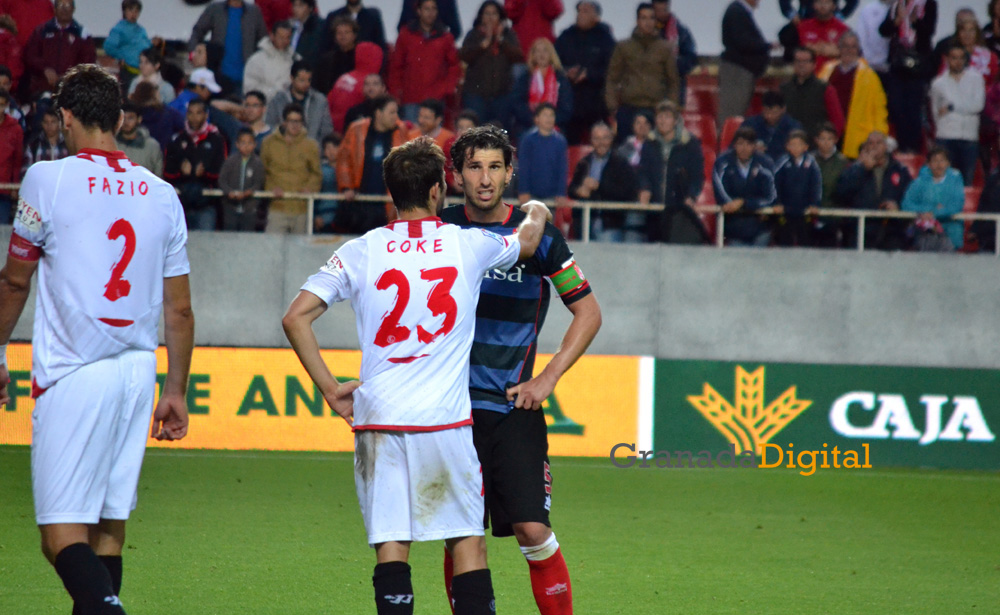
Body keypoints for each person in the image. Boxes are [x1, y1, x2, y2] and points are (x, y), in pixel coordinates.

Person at [283, 135, 550, 615]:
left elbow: (295, 317)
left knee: (392, 544)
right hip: (444, 422)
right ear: (435, 191)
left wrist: (330, 389)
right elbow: (528, 241)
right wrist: (538, 211)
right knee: (467, 541)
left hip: (378, 416)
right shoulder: (467, 244)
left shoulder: (361, 250)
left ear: (390, 193)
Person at [0, 63, 193, 615]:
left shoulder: (46, 178)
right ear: (118, 119)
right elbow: (178, 308)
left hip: (75, 372)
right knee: (108, 530)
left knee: (60, 535)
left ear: (64, 116)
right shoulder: (161, 194)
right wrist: (174, 389)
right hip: (137, 373)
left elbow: (16, 281)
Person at [439, 124, 602, 615]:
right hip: (451, 410)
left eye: (494, 166)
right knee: (460, 537)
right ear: (457, 175)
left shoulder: (538, 237)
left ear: (510, 172)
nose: (485, 178)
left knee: (534, 530)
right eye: (474, 167)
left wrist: (547, 378)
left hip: (513, 409)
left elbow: (588, 311)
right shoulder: (440, 230)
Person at [605, 3, 679, 143]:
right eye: (644, 18)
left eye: (651, 18)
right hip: (628, 109)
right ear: (637, 20)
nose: (648, 22)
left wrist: (669, 109)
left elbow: (673, 81)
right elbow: (612, 78)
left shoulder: (665, 48)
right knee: (625, 152)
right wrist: (612, 107)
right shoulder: (623, 47)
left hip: (655, 109)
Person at [336, 95, 408, 233]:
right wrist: (346, 187)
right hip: (359, 202)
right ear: (378, 113)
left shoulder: (401, 131)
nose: (396, 116)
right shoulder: (356, 129)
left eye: (397, 112)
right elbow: (344, 160)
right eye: (391, 112)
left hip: (387, 205)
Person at [638, 100, 707, 244]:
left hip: (678, 212)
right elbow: (643, 171)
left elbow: (697, 176)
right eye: (660, 117)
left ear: (676, 120)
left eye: (667, 117)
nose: (663, 121)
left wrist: (691, 196)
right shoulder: (649, 143)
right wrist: (645, 188)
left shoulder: (690, 144)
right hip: (654, 210)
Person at [833, 130, 912, 249]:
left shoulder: (899, 170)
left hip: (891, 232)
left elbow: (911, 197)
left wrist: (898, 207)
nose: (874, 146)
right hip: (861, 231)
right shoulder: (854, 169)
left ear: (886, 146)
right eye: (870, 143)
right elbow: (841, 194)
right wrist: (863, 169)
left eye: (878, 143)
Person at [818, 31, 888, 159]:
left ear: (858, 50)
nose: (848, 50)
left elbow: (879, 108)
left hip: (856, 137)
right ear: (839, 48)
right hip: (828, 136)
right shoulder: (827, 70)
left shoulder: (869, 75)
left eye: (853, 47)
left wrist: (879, 134)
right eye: (845, 46)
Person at [878, 0, 937, 154]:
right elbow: (883, 30)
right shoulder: (897, 3)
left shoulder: (928, 3)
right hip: (898, 66)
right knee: (897, 107)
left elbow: (929, 31)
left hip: (917, 67)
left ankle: (913, 149)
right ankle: (901, 146)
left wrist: (915, 22)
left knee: (913, 109)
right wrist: (897, 20)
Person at [389, 0, 461, 123]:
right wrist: (395, 92)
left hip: (436, 98)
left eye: (434, 9)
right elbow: (396, 66)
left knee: (434, 139)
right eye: (427, 9)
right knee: (412, 138)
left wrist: (447, 89)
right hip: (411, 97)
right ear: (419, 11)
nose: (430, 13)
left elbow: (454, 66)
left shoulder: (445, 37)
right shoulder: (406, 35)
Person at [554, 1, 614, 144]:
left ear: (596, 16)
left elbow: (611, 70)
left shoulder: (605, 38)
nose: (581, 14)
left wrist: (589, 74)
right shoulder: (566, 36)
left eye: (586, 11)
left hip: (597, 101)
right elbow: (555, 62)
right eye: (579, 10)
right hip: (570, 101)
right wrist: (566, 71)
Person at [164, 98, 228, 230]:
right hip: (181, 204)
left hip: (206, 204)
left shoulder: (216, 139)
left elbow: (222, 170)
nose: (194, 117)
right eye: (191, 113)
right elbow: (167, 172)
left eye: (198, 113)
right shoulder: (177, 139)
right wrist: (180, 171)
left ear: (206, 115)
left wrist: (206, 173)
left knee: (205, 246)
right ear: (186, 115)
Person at [568, 121, 638, 241]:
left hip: (610, 226)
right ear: (591, 140)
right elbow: (571, 189)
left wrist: (599, 186)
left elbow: (627, 193)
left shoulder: (621, 163)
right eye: (596, 138)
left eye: (605, 138)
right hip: (585, 224)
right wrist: (578, 190)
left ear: (611, 139)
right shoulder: (584, 162)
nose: (601, 143)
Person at [260, 103, 322, 233]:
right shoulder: (268, 143)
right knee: (272, 248)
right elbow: (263, 171)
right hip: (277, 207)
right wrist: (271, 188)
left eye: (299, 121)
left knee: (300, 250)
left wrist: (309, 188)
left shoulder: (311, 146)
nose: (295, 125)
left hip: (301, 208)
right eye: (291, 121)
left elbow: (316, 174)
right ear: (284, 122)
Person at [930, 42, 986, 186]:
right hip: (946, 137)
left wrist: (952, 107)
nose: (958, 61)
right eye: (954, 58)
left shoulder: (976, 79)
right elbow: (936, 113)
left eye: (961, 58)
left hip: (969, 138)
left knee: (966, 182)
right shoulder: (938, 83)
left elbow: (977, 106)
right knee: (944, 182)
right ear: (947, 59)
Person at [461, 0, 523, 128]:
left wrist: (500, 40)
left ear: (500, 17)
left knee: (500, 131)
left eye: (494, 14)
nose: (490, 17)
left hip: (502, 95)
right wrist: (484, 44)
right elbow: (464, 56)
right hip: (476, 94)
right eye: (487, 13)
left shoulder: (508, 35)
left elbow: (518, 57)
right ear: (481, 16)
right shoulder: (474, 34)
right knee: (476, 131)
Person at [713, 126, 777, 247]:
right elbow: (721, 196)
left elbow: (771, 197)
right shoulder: (722, 163)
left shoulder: (766, 163)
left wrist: (744, 202)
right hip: (734, 229)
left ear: (754, 146)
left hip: (760, 229)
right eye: (740, 143)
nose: (744, 148)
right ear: (734, 145)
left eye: (748, 144)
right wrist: (732, 204)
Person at [188, 0, 269, 95]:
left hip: (246, 78)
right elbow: (197, 31)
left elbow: (263, 41)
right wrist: (193, 54)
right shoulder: (215, 9)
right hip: (217, 76)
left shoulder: (254, 12)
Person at [23, 0, 96, 97]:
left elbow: (88, 62)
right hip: (43, 88)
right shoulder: (41, 31)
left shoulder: (82, 34)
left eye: (68, 5)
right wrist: (45, 69)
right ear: (54, 9)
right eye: (61, 5)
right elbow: (30, 56)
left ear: (73, 9)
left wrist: (69, 75)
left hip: (72, 90)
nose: (64, 9)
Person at [900, 145, 964, 250]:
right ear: (928, 164)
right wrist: (924, 212)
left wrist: (933, 213)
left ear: (948, 163)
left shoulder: (956, 180)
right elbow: (906, 204)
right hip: (924, 231)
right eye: (934, 161)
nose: (939, 165)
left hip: (950, 230)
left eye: (942, 160)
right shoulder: (919, 182)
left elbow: (956, 206)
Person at [718, 0, 771, 126]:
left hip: (741, 71)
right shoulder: (737, 11)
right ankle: (727, 144)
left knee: (736, 115)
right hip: (737, 72)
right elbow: (742, 41)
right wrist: (766, 46)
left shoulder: (739, 11)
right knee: (732, 116)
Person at [510, 38, 573, 136]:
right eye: (538, 51)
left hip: (555, 124)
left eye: (545, 50)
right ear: (533, 55)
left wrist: (548, 121)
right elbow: (517, 103)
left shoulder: (560, 78)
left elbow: (566, 108)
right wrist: (534, 119)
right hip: (529, 123)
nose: (541, 54)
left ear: (551, 55)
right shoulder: (525, 77)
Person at [781, 46, 845, 140]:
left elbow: (838, 120)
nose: (801, 65)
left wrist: (828, 142)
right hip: (790, 145)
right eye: (798, 61)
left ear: (814, 64)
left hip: (817, 147)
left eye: (806, 61)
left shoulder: (825, 89)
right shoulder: (783, 89)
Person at [772, 129, 822, 246]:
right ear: (787, 146)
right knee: (785, 242)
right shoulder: (782, 162)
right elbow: (774, 184)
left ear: (805, 147)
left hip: (805, 212)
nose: (795, 148)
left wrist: (815, 204)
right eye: (792, 144)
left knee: (805, 242)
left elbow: (816, 185)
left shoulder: (811, 163)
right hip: (785, 211)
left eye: (799, 144)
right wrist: (776, 202)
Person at [517, 103, 569, 213]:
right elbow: (524, 167)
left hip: (551, 196)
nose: (549, 118)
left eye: (552, 115)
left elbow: (562, 168)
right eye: (545, 115)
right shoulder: (528, 140)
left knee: (548, 227)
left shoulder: (560, 141)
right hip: (531, 195)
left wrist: (561, 193)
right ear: (537, 119)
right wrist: (523, 190)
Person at [265, 60, 333, 143]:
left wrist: (314, 148)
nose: (306, 84)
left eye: (309, 80)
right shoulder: (278, 100)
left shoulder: (320, 101)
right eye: (302, 80)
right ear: (292, 78)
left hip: (312, 152)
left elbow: (326, 131)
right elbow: (269, 126)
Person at [327, 40, 383, 133]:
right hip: (352, 129)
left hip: (333, 126)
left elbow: (330, 99)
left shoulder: (344, 77)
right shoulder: (366, 81)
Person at [218, 126, 266, 231]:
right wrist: (229, 192)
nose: (246, 146)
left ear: (254, 145)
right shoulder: (230, 161)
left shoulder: (257, 163)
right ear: (237, 144)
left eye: (250, 143)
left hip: (250, 209)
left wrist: (248, 192)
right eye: (243, 143)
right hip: (230, 208)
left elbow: (259, 183)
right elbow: (222, 180)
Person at [651, 0, 697, 105]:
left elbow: (691, 59)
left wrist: (670, 63)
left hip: (674, 90)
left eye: (664, 9)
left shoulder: (681, 32)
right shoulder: (643, 33)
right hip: (648, 92)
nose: (661, 13)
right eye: (658, 10)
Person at [103, 0, 154, 91]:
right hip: (129, 70)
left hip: (143, 70)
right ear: (124, 11)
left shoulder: (141, 29)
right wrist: (122, 57)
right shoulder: (118, 29)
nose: (134, 14)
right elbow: (108, 47)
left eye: (136, 11)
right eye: (131, 10)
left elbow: (148, 45)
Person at [741, 91, 805, 162]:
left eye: (774, 112)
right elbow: (735, 146)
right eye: (766, 111)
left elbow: (798, 152)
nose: (769, 116)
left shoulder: (794, 127)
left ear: (783, 109)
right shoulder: (750, 123)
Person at [812, 121, 848, 246]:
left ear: (836, 140)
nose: (826, 142)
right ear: (816, 140)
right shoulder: (809, 160)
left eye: (829, 138)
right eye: (822, 138)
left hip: (834, 216)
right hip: (810, 215)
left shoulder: (844, 163)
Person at [242, 20, 297, 102]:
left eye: (288, 38)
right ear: (272, 36)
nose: (285, 41)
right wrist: (275, 91)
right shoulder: (256, 60)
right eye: (281, 37)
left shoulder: (296, 59)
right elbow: (249, 89)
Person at [796, 0, 850, 69]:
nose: (823, 6)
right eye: (819, 2)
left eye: (827, 2)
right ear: (814, 5)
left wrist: (838, 53)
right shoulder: (802, 27)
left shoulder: (844, 30)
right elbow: (795, 51)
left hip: (834, 75)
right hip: (809, 75)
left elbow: (849, 55)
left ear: (834, 6)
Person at [115, 102, 162, 178]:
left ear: (139, 119)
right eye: (123, 118)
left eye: (130, 118)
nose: (126, 122)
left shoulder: (152, 146)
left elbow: (158, 176)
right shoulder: (111, 144)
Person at [313, 16, 358, 95]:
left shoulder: (360, 57)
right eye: (339, 33)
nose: (343, 36)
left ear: (354, 35)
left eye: (346, 32)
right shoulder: (326, 60)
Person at [322, 0, 387, 51]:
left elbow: (380, 45)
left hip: (368, 63)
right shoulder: (334, 16)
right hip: (339, 64)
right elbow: (326, 45)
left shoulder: (373, 16)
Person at [22, 107, 67, 175]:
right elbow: (26, 169)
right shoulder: (33, 145)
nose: (49, 126)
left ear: (59, 123)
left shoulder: (68, 144)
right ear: (42, 123)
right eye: (46, 122)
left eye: (53, 122)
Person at [0, 87, 22, 223]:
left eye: (1, 105)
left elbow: (17, 160)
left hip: (5, 189)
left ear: (7, 106)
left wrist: (14, 185)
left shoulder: (15, 129)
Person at [856, 0, 892, 77]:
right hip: (870, 64)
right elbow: (861, 37)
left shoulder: (900, 9)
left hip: (893, 66)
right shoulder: (868, 9)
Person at [315, 132, 340, 232]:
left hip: (343, 219)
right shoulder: (320, 171)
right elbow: (315, 193)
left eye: (334, 147)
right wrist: (315, 215)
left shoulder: (348, 171)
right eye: (327, 148)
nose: (331, 151)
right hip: (323, 219)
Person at [398, 0, 462, 39]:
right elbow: (401, 26)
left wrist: (443, 45)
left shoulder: (446, 2)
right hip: (414, 54)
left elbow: (455, 30)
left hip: (437, 54)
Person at [290, 0, 324, 66]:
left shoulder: (320, 26)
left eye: (301, 5)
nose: (296, 9)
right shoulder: (293, 28)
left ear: (310, 8)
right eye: (294, 5)